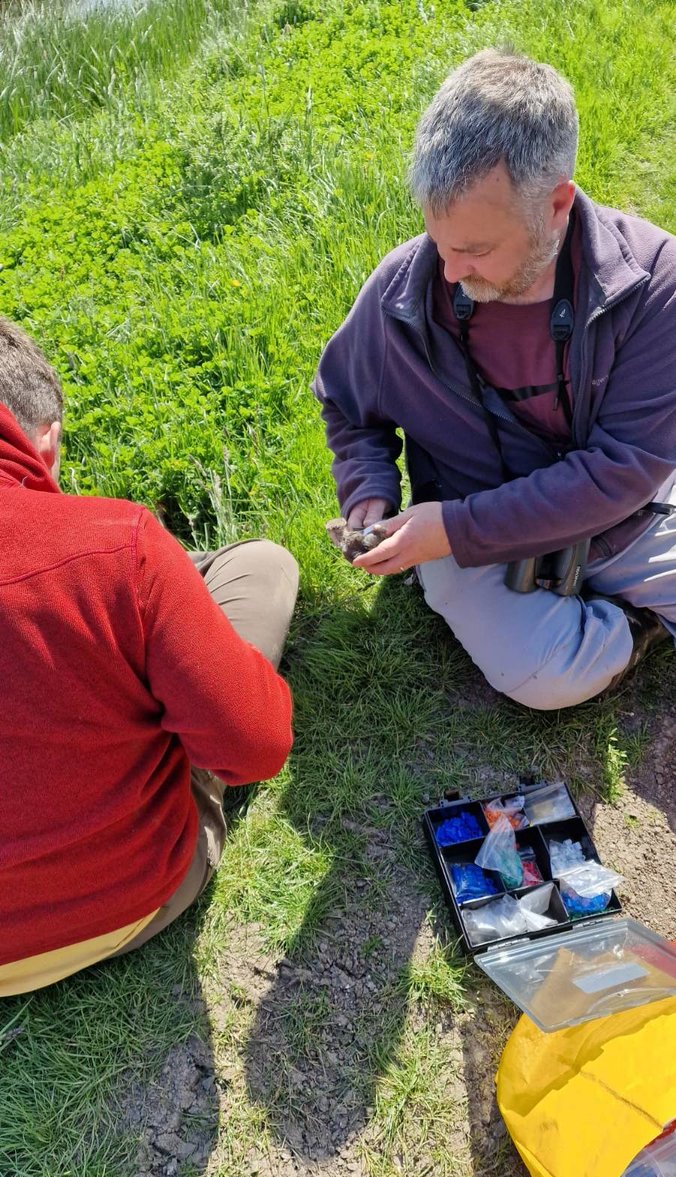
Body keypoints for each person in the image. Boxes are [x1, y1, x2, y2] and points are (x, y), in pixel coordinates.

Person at [314, 49, 675, 709]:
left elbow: (620, 472)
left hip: (618, 519)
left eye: (475, 251)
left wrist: (453, 529)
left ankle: (606, 603)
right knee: (539, 678)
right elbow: (345, 405)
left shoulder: (654, 282)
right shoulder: (405, 287)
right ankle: (632, 626)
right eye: (439, 241)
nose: (448, 273)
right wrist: (369, 490)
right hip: (462, 531)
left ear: (557, 204)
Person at [0, 319, 298, 995]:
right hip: (124, 900)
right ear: (43, 441)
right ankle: (176, 626)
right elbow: (255, 748)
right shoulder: (115, 545)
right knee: (260, 567)